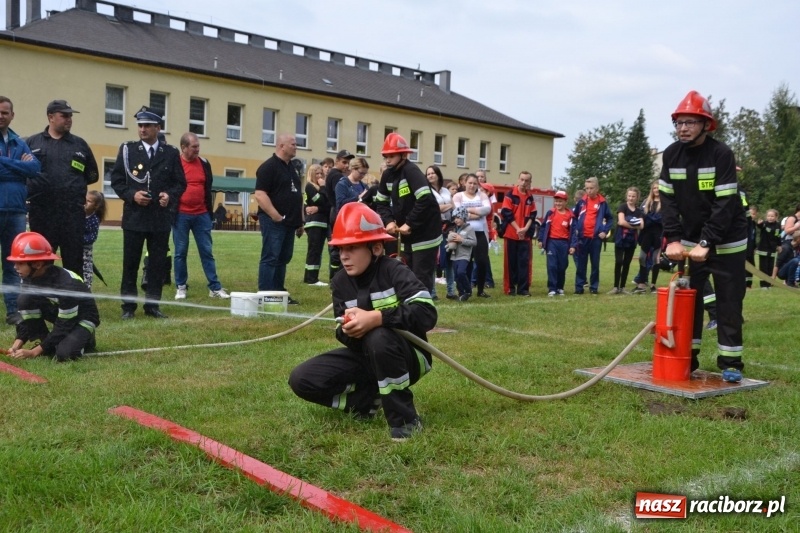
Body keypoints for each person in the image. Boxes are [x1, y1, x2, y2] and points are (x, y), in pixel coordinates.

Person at [288, 202, 436, 441]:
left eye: (352, 248)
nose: (344, 256)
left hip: (410, 356)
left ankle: (405, 420)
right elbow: (341, 331)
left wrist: (377, 318)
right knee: (302, 379)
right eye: (340, 249)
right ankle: (365, 403)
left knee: (379, 337)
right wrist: (349, 330)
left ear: (375, 248)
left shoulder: (394, 271)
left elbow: (426, 312)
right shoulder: (340, 282)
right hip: (368, 355)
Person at [661, 90, 748, 383]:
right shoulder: (671, 154)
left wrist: (706, 242)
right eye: (679, 122)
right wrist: (673, 239)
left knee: (728, 301)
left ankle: (731, 363)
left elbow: (725, 204)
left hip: (728, 240)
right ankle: (689, 357)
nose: (683, 128)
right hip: (690, 240)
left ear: (706, 125)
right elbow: (668, 201)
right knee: (690, 301)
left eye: (690, 122)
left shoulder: (721, 154)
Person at [111, 106, 186, 320]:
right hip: (135, 217)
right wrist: (132, 195)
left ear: (158, 128)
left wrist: (169, 196)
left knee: (157, 264)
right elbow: (117, 181)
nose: (142, 129)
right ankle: (128, 306)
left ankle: (152, 305)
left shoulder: (170, 153)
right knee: (131, 263)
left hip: (159, 217)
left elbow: (180, 183)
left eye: (147, 126)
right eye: (140, 125)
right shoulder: (128, 150)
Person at [26, 99, 99, 276]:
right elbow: (23, 173)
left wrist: (72, 186)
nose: (69, 119)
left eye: (70, 116)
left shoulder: (79, 144)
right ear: (50, 117)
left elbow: (92, 175)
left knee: (73, 262)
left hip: (72, 214)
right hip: (42, 213)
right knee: (41, 262)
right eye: (64, 115)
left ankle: (72, 294)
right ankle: (42, 294)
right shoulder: (32, 143)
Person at [4, 232, 99, 362]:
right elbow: (26, 315)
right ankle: (47, 343)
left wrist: (34, 352)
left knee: (63, 355)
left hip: (82, 318)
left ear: (37, 264)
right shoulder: (29, 277)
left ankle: (86, 338)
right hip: (61, 313)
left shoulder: (66, 285)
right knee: (25, 300)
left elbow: (65, 324)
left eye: (20, 263)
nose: (15, 267)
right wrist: (16, 345)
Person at [374, 132, 442, 292]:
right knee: (407, 273)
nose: (388, 160)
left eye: (391, 156)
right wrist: (388, 221)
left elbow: (425, 199)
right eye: (386, 156)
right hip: (407, 235)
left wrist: (409, 223)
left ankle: (423, 304)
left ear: (403, 155)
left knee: (421, 276)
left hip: (426, 233)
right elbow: (381, 202)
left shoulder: (411, 171)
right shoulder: (387, 175)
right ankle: (411, 303)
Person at [172, 133, 229, 300]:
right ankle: (181, 287)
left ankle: (214, 288)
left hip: (202, 214)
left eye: (198, 146)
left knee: (207, 251)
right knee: (180, 252)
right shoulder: (175, 164)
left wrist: (208, 211)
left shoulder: (204, 163)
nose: (197, 149)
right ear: (183, 147)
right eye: (194, 147)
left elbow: (207, 187)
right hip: (181, 215)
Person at [0, 95, 41, 326]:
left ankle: (13, 310)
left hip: (16, 211)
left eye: (4, 112)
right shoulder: (20, 147)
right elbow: (25, 169)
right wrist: (20, 167)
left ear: (12, 115)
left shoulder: (18, 142)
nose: (1, 116)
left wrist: (5, 163)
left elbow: (34, 168)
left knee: (14, 264)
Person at [254, 133, 303, 304]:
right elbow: (260, 194)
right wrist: (276, 216)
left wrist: (299, 222)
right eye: (293, 144)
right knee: (271, 256)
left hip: (289, 222)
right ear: (282, 146)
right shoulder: (268, 167)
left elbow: (296, 195)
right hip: (274, 221)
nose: (296, 147)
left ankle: (278, 293)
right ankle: (266, 294)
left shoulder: (292, 168)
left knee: (283, 257)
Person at [452, 174, 492, 298]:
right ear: (465, 183)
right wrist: (478, 213)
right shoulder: (458, 196)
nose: (472, 185)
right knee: (465, 262)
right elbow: (459, 213)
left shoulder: (482, 195)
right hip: (464, 233)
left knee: (482, 262)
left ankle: (480, 290)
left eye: (475, 183)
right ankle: (465, 290)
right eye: (470, 183)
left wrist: (468, 210)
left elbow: (487, 210)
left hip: (480, 233)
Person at [573, 177, 613, 294]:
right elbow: (574, 217)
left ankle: (594, 288)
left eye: (591, 188)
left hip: (596, 239)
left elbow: (610, 218)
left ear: (597, 188)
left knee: (595, 264)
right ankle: (579, 287)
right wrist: (576, 229)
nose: (589, 191)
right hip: (582, 237)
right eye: (587, 188)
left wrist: (604, 231)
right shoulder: (582, 202)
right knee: (581, 263)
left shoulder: (602, 203)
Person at [500, 171, 537, 296]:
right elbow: (507, 213)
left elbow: (533, 215)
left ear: (530, 182)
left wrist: (525, 229)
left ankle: (523, 289)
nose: (524, 182)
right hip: (511, 233)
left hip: (525, 236)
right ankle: (510, 288)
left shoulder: (530, 197)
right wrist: (518, 229)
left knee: (524, 263)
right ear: (518, 180)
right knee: (510, 263)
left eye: (527, 180)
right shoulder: (510, 195)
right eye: (522, 179)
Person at [538, 191, 575, 296]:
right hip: (552, 242)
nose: (558, 203)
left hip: (564, 243)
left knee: (562, 266)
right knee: (552, 265)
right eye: (556, 201)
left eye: (560, 201)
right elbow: (543, 227)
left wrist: (573, 245)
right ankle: (552, 288)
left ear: (566, 202)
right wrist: (541, 240)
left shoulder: (570, 215)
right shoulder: (551, 213)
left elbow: (573, 232)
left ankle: (560, 287)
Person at [325, 150, 355, 280]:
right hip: (338, 213)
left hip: (335, 212)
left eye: (348, 163)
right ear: (336, 161)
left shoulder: (334, 174)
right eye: (344, 162)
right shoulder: (337, 176)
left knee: (338, 248)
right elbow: (341, 198)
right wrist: (357, 197)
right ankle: (336, 279)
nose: (347, 165)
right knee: (339, 248)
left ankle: (337, 278)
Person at [610, 187, 644, 294]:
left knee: (626, 263)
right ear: (626, 196)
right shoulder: (623, 207)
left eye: (633, 196)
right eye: (629, 196)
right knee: (619, 261)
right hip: (621, 238)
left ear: (637, 197)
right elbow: (621, 222)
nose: (631, 198)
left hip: (632, 240)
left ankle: (623, 287)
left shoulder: (639, 211)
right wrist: (634, 225)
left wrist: (629, 224)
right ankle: (616, 287)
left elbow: (641, 225)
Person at [632, 180, 663, 294]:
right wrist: (651, 217)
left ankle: (653, 285)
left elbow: (661, 219)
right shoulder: (646, 201)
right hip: (646, 234)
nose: (656, 190)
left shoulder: (665, 202)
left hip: (658, 234)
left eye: (658, 188)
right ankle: (642, 283)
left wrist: (649, 217)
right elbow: (642, 216)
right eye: (654, 188)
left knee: (655, 259)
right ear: (652, 189)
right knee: (642, 257)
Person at [303, 163, 330, 286]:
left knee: (317, 251)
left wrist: (319, 208)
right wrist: (323, 187)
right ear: (311, 174)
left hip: (322, 222)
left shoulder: (321, 187)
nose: (319, 176)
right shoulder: (310, 186)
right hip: (314, 222)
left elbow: (328, 204)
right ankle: (311, 279)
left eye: (321, 173)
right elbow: (320, 200)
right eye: (317, 173)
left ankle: (309, 277)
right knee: (314, 250)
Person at [448, 206, 477, 301]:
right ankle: (461, 293)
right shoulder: (455, 229)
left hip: (464, 255)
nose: (456, 220)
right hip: (454, 256)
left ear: (464, 217)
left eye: (458, 217)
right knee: (456, 276)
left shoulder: (469, 229)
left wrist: (462, 240)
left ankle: (468, 290)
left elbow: (474, 242)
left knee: (461, 272)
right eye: (454, 218)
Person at [83, 190, 106, 289]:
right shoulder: (78, 214)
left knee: (86, 268)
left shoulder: (94, 219)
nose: (85, 203)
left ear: (95, 206)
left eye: (89, 201)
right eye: (85, 200)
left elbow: (92, 237)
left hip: (86, 250)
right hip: (74, 248)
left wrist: (80, 239)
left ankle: (86, 287)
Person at [756, 209, 782, 288]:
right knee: (763, 267)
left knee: (770, 267)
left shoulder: (778, 225)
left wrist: (779, 245)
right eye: (768, 216)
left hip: (772, 249)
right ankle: (763, 285)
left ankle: (768, 284)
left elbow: (778, 236)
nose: (770, 218)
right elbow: (760, 226)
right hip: (763, 249)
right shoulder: (764, 224)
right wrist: (759, 224)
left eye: (772, 216)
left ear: (776, 217)